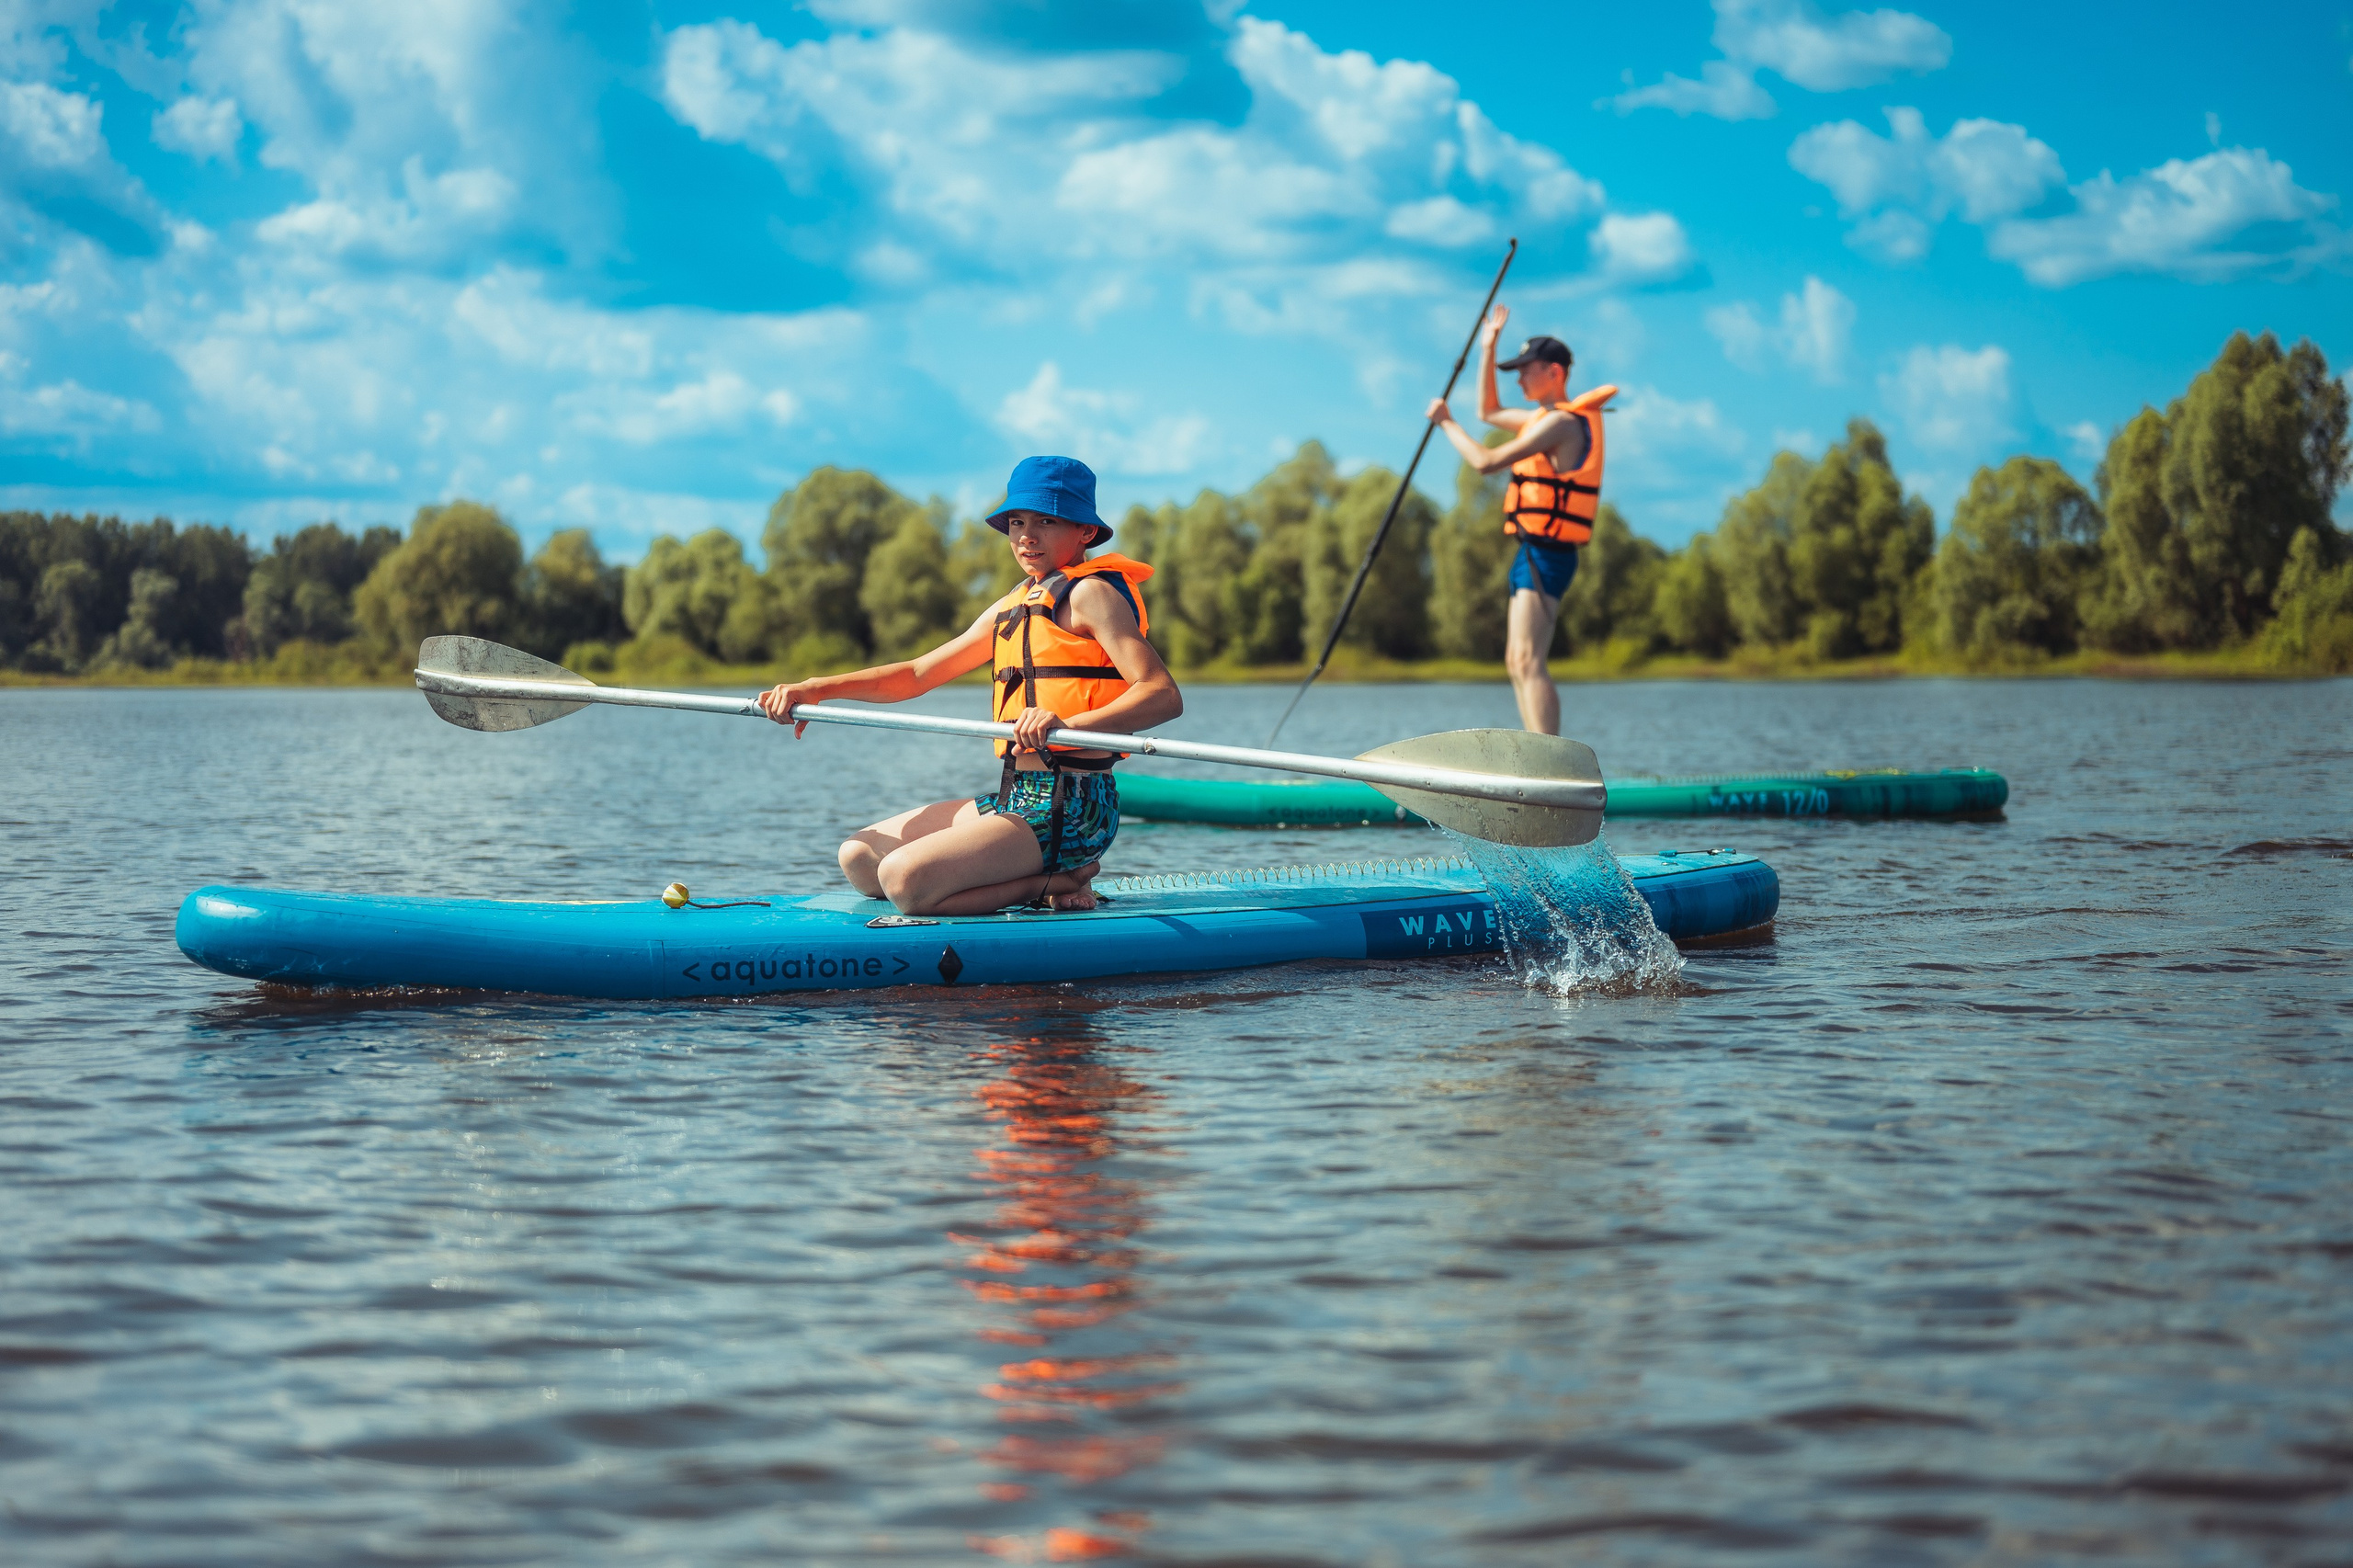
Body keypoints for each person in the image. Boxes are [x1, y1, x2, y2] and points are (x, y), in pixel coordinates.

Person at [757, 456, 1180, 915]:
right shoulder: (1014, 605)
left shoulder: (1090, 594)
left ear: (1085, 532)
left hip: (1077, 806)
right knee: (860, 858)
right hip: (1015, 795)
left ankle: (1064, 878)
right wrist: (817, 688)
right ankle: (1039, 875)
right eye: (1017, 521)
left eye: (1046, 521)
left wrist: (1067, 724)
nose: (1027, 535)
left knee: (904, 882)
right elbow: (917, 675)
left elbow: (1162, 693)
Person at [1425, 305, 1617, 735]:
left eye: (1525, 371)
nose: (1519, 379)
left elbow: (1486, 461)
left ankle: (1549, 763)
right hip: (1531, 551)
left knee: (1530, 660)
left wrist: (1447, 425)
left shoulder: (1562, 424)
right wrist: (1487, 347)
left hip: (1549, 554)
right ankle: (1539, 756)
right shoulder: (1539, 419)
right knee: (1517, 660)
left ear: (1554, 372)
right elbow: (1490, 411)